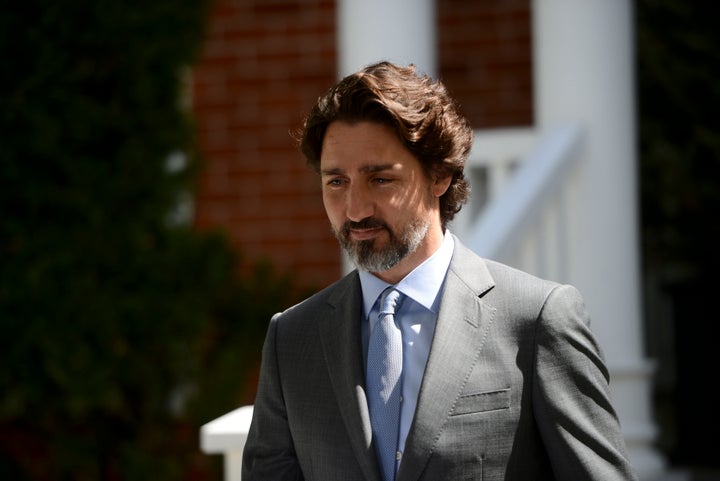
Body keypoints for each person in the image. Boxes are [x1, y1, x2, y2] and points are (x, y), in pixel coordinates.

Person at [241, 61, 638, 481]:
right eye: (336, 182)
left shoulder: (537, 320)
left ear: (439, 175)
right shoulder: (293, 338)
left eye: (380, 179)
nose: (355, 209)